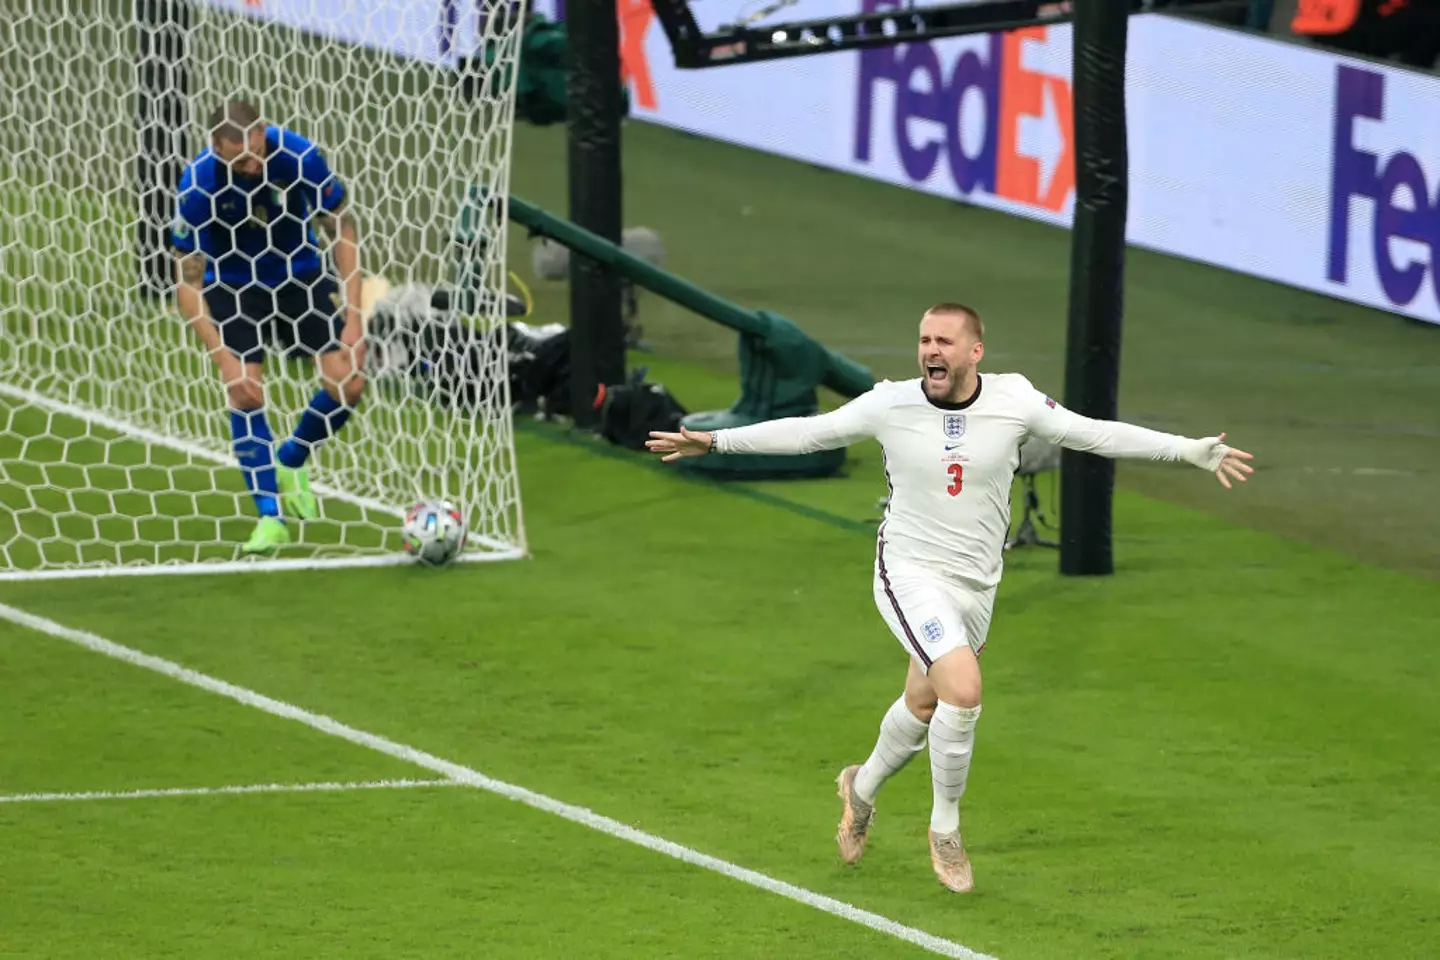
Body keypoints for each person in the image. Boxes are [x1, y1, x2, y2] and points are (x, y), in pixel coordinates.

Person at [645, 303, 1254, 893]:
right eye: (924, 341)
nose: (930, 351)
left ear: (974, 351)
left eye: (943, 342)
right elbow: (812, 433)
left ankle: (860, 789)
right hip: (908, 569)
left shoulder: (1013, 399)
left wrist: (1188, 450)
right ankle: (945, 830)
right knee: (963, 689)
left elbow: (1092, 434)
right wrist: (716, 442)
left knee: (925, 702)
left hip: (977, 582)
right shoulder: (892, 403)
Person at [171, 99, 365, 554]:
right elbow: (187, 281)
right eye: (240, 160)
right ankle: (269, 517)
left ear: (263, 132)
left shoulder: (299, 156)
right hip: (234, 283)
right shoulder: (198, 183)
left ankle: (292, 457)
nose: (253, 166)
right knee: (246, 391)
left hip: (299, 272)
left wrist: (354, 318)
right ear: (217, 149)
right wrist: (224, 361)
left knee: (349, 382)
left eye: (257, 152)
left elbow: (343, 229)